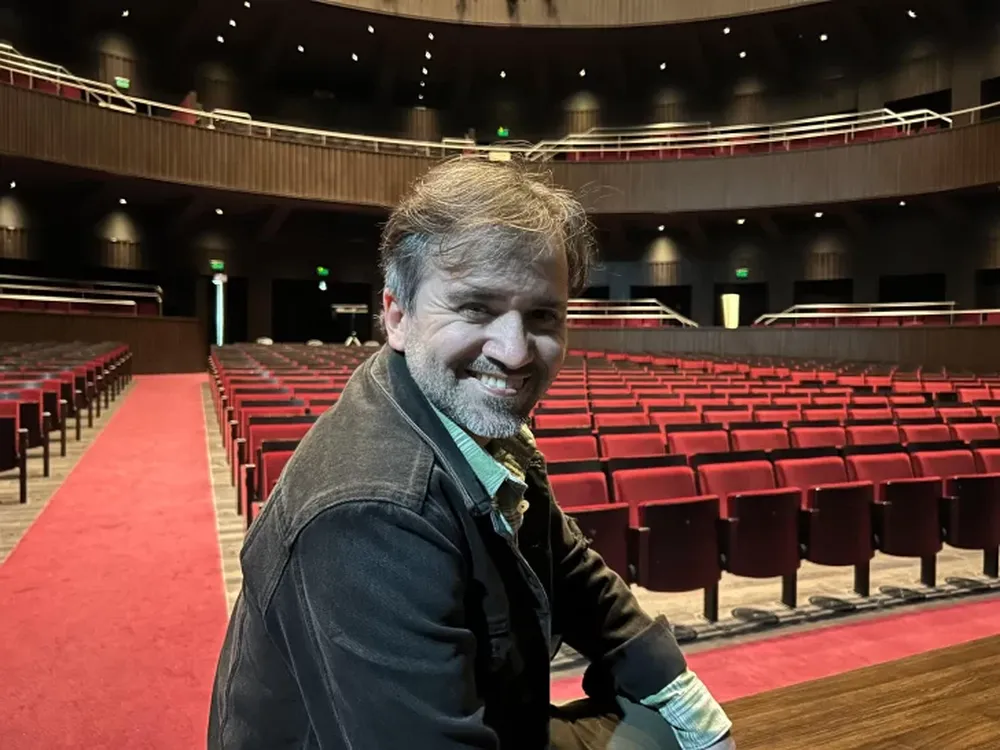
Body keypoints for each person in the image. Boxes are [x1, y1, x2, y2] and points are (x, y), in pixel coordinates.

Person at [208, 157, 735, 749]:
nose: (514, 353)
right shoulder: (369, 513)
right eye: (476, 308)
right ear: (397, 316)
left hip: (487, 714)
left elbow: (567, 564)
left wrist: (675, 688)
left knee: (665, 732)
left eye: (542, 315)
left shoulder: (466, 420)